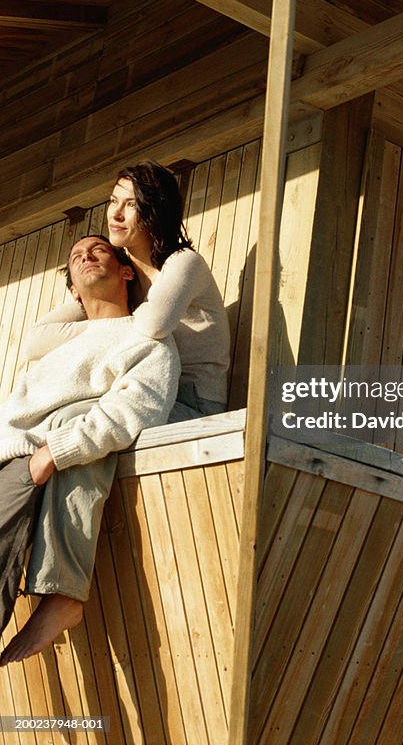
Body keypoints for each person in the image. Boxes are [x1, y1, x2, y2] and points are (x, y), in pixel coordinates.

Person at [0, 235, 179, 663]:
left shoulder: (147, 338)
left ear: (126, 270)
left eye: (98, 250)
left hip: (35, 462)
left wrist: (50, 453)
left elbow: (134, 410)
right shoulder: (53, 352)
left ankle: (62, 597)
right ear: (73, 292)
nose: (85, 255)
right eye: (75, 255)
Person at [22, 160, 230, 420]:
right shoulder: (121, 272)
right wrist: (99, 321)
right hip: (138, 391)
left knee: (76, 418)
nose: (116, 214)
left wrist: (107, 322)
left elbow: (155, 325)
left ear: (156, 211)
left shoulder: (184, 262)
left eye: (131, 204)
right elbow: (34, 342)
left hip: (192, 403)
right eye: (113, 201)